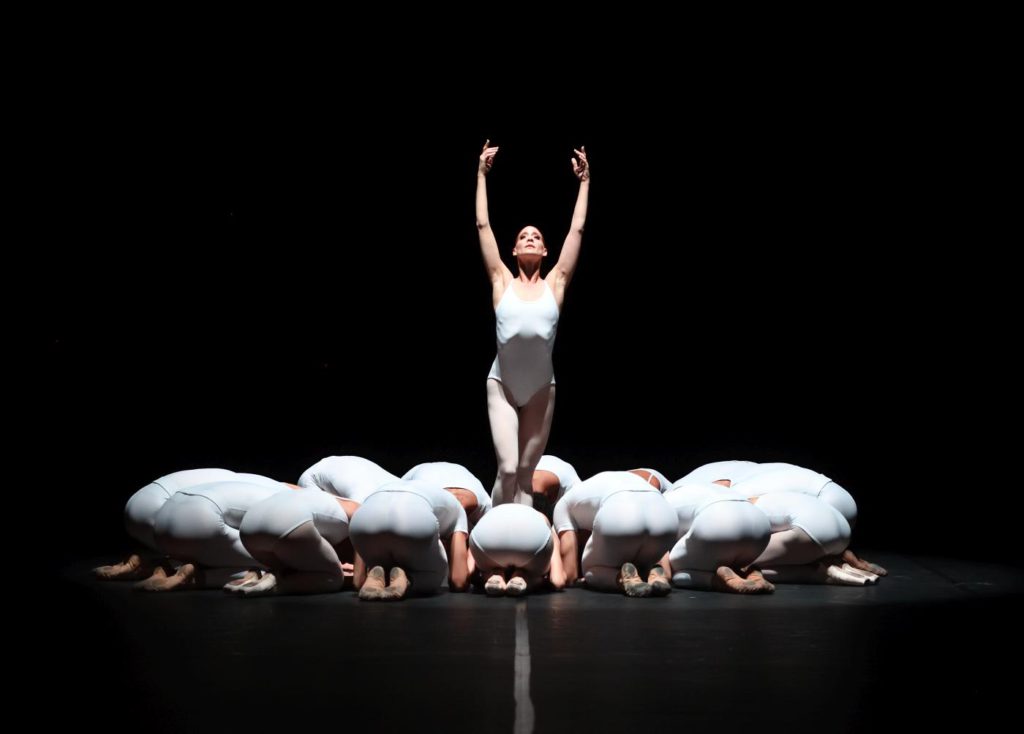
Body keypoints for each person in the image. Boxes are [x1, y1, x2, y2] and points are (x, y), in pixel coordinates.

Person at [476, 140, 590, 508]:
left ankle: (521, 555)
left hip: (542, 388)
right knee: (507, 469)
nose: (529, 238)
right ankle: (494, 538)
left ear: (544, 251)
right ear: (513, 250)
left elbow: (577, 232)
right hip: (503, 386)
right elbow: (482, 224)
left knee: (526, 473)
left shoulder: (555, 284)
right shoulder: (501, 282)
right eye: (523, 235)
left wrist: (585, 182)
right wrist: (481, 175)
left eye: (536, 236)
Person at [92, 468, 292, 587]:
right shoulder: (290, 499)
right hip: (192, 523)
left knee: (217, 546)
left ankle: (152, 564)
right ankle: (196, 576)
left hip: (139, 506)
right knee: (288, 561)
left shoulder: (254, 480)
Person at [553, 470, 677, 597]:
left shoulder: (562, 506)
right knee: (641, 561)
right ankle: (654, 574)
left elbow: (570, 574)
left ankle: (621, 579)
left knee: (591, 570)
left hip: (619, 511)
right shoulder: (598, 483)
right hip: (665, 515)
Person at [349, 478, 470, 600]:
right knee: (434, 574)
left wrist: (360, 580)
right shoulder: (457, 507)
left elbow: (357, 580)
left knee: (382, 557)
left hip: (363, 517)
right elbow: (458, 581)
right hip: (413, 517)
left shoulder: (392, 483)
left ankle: (376, 574)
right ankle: (408, 580)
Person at [469, 504, 567, 596]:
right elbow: (557, 581)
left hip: (486, 534)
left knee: (487, 569)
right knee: (537, 576)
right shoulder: (541, 519)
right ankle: (524, 578)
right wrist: (541, 580)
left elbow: (469, 570)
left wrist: (482, 576)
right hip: (535, 537)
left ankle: (494, 574)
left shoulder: (493, 515)